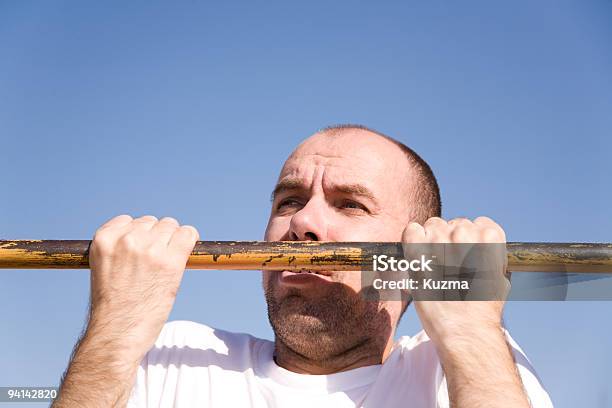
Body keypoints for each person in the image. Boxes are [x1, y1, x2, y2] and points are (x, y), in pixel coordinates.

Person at [53, 125, 553, 407]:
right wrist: (117, 321)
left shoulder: (455, 367)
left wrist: (471, 330)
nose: (304, 223)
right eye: (289, 201)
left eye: (351, 205)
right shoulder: (176, 354)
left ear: (416, 250)